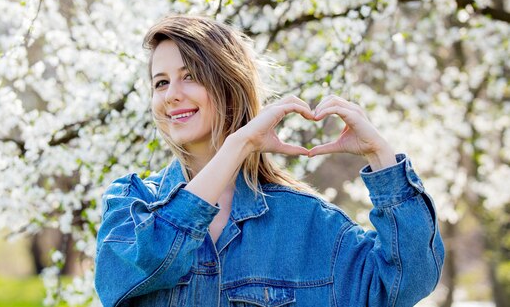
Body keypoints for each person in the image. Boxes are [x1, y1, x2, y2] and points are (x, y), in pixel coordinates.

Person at [94, 15, 444, 307]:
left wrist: (381, 156)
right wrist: (238, 145)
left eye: (191, 76)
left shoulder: (304, 222)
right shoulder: (133, 204)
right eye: (160, 83)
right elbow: (123, 276)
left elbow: (403, 281)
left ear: (229, 85)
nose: (171, 95)